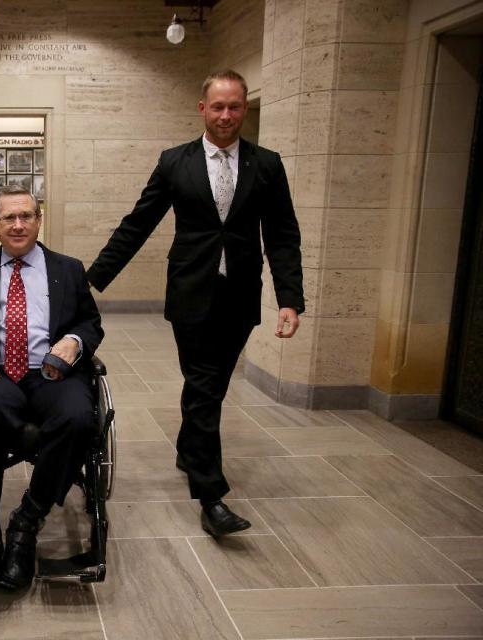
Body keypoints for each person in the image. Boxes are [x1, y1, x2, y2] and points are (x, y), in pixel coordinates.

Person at [87, 69, 305, 537]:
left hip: (240, 295)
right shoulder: (174, 163)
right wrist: (90, 281)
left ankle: (190, 449)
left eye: (235, 106)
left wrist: (290, 298)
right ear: (202, 108)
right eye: (218, 106)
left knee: (212, 386)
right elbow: (137, 224)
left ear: (244, 109)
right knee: (204, 386)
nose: (226, 115)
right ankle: (212, 496)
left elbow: (283, 236)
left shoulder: (266, 165)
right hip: (190, 291)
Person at [0, 185, 104, 589]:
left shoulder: (68, 268)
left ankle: (27, 519)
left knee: (79, 417)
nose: (18, 225)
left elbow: (90, 323)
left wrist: (75, 342)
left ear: (39, 220)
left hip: (51, 373)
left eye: (26, 216)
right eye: (9, 218)